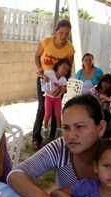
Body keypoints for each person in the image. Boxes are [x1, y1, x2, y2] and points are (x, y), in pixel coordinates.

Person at [32, 19, 75, 150]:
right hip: (45, 80)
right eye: (61, 32)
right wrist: (40, 69)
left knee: (56, 112)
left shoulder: (70, 49)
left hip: (58, 84)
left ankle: (52, 139)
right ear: (56, 31)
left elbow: (68, 68)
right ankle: (36, 138)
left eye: (67, 33)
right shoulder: (46, 42)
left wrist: (63, 87)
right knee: (42, 109)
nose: (63, 36)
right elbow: (37, 56)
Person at [38, 58, 72, 139]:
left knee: (58, 115)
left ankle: (59, 130)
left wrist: (64, 90)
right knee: (47, 114)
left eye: (67, 70)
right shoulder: (49, 73)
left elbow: (64, 89)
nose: (64, 71)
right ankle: (45, 129)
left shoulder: (63, 79)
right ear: (58, 66)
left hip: (57, 99)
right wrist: (43, 76)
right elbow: (38, 72)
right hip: (48, 98)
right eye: (64, 67)